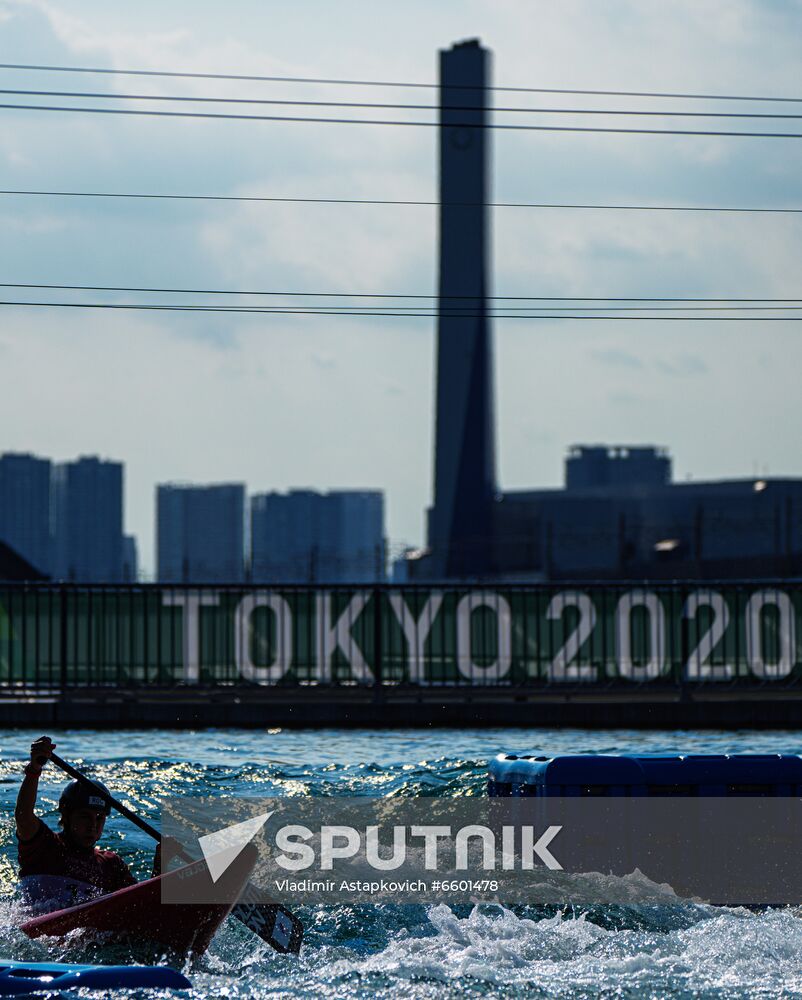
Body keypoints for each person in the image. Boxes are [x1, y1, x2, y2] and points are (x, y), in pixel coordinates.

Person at [15, 735, 161, 913]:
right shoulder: (44, 846)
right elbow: (23, 817)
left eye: (100, 818)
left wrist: (160, 867)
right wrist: (34, 769)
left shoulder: (110, 865)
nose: (93, 825)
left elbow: (142, 910)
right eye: (85, 816)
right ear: (66, 815)